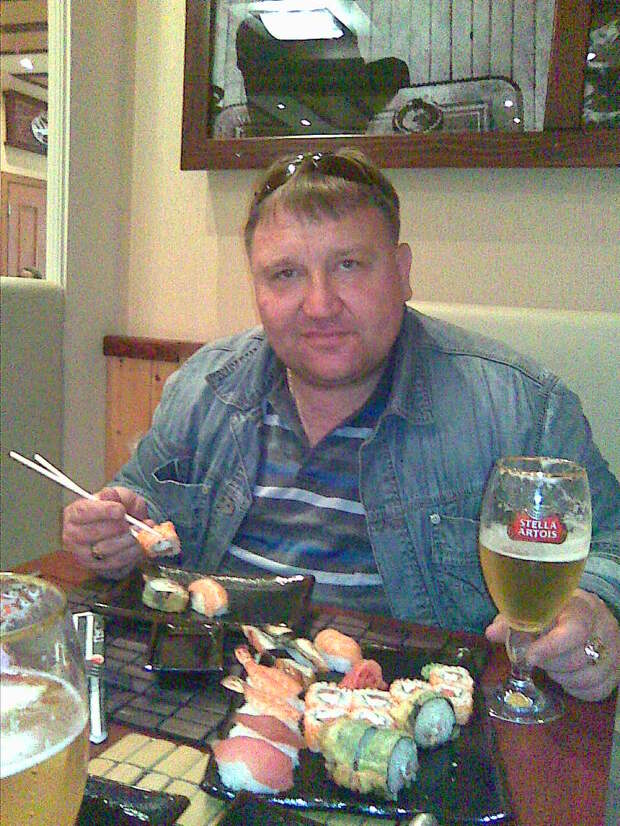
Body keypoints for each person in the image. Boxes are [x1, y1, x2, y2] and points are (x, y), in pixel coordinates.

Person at [63, 148, 620, 701]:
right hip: (217, 698)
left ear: (402, 272)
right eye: (285, 274)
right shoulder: (204, 387)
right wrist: (112, 538)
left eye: (349, 265)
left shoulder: (520, 408)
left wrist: (593, 608)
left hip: (421, 716)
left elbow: (609, 546)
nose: (319, 305)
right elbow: (140, 502)